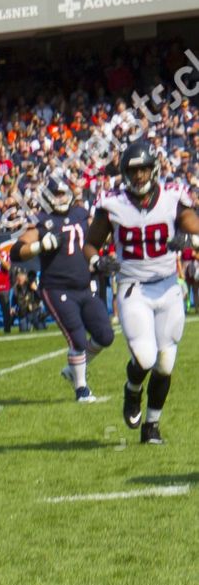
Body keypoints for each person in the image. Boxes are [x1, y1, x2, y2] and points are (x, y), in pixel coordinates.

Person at [84, 139, 199, 445]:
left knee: (165, 363)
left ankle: (152, 427)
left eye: (145, 169)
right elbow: (90, 244)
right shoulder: (112, 205)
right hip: (133, 287)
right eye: (134, 171)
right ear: (125, 173)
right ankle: (132, 391)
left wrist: (189, 240)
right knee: (145, 357)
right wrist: (97, 261)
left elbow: (193, 227)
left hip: (167, 286)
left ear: (154, 170)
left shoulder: (173, 198)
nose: (139, 176)